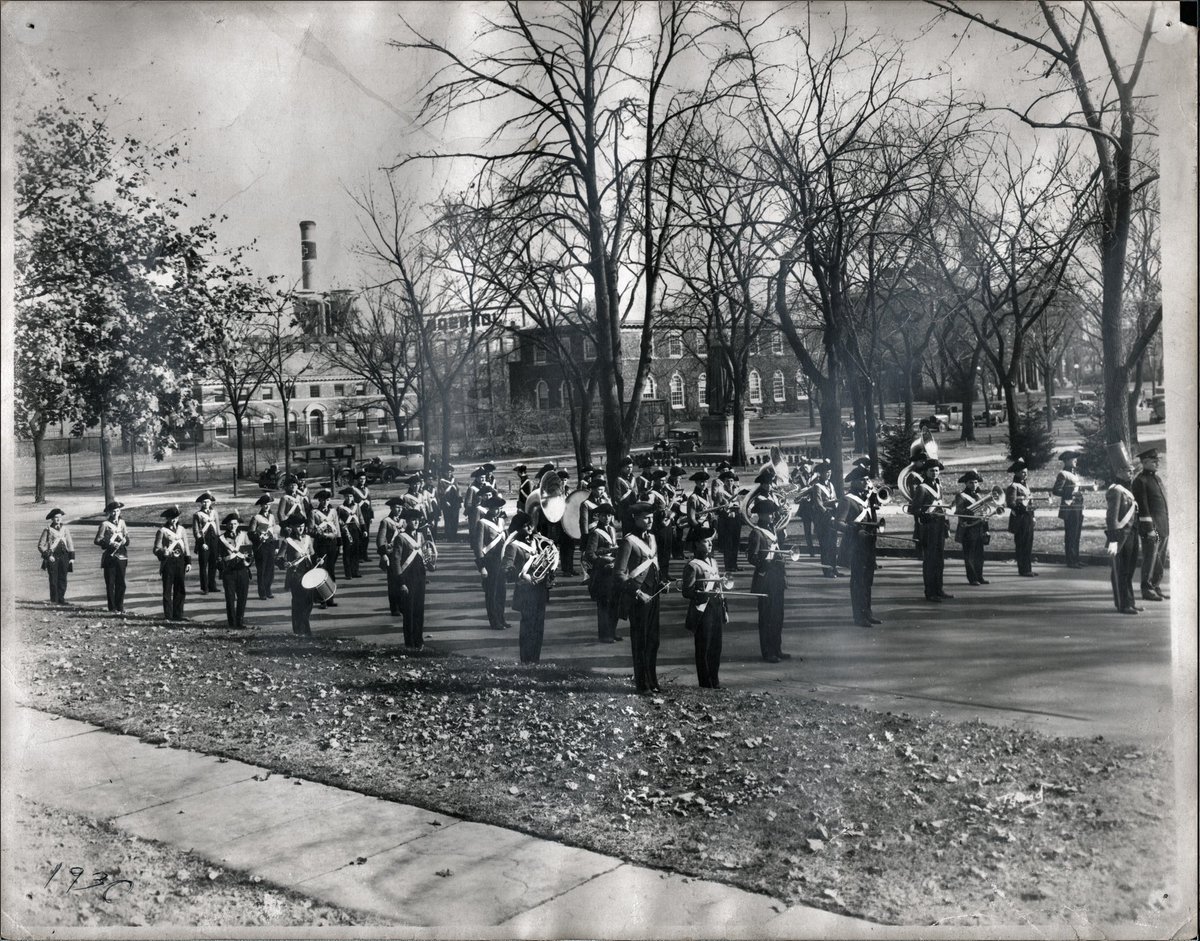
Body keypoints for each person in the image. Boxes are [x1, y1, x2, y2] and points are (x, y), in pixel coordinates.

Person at [614, 502, 663, 693]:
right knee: (640, 641)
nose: (650, 520)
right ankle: (642, 683)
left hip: (654, 594)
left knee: (653, 640)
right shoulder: (628, 541)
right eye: (645, 517)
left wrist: (661, 582)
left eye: (651, 516)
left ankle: (653, 680)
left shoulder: (652, 537)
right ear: (635, 518)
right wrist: (637, 592)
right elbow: (619, 574)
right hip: (638, 597)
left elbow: (654, 565)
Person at [503, 511, 555, 663]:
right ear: (518, 528)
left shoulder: (537, 543)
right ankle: (526, 660)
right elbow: (506, 569)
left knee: (539, 626)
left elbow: (544, 561)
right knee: (528, 626)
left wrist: (549, 569)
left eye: (531, 525)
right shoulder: (513, 546)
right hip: (526, 591)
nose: (530, 528)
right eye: (526, 526)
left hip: (540, 590)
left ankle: (535, 660)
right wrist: (521, 575)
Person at [681, 525, 727, 688]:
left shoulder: (713, 562)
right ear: (696, 545)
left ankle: (715, 679)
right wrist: (700, 593)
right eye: (706, 542)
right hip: (702, 609)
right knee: (704, 647)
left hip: (716, 606)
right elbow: (687, 591)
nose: (710, 545)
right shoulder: (692, 566)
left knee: (716, 646)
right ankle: (705, 683)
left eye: (711, 542)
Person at [746, 498, 791, 662]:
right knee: (767, 617)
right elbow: (752, 557)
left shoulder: (773, 528)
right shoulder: (756, 532)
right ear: (762, 515)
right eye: (770, 513)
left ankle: (777, 648)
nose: (773, 516)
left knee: (778, 615)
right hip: (765, 578)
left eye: (773, 513)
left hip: (777, 577)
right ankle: (768, 651)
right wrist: (765, 561)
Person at [841, 467, 882, 626]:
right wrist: (854, 531)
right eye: (863, 480)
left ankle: (868, 612)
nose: (867, 483)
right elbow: (837, 523)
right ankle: (859, 616)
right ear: (855, 482)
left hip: (869, 543)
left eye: (868, 480)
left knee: (868, 580)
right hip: (856, 545)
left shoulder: (868, 497)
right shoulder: (847, 500)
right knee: (858, 581)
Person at [1105, 443, 1141, 615]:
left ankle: (1130, 602)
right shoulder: (1116, 491)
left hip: (1132, 535)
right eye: (1128, 471)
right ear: (1119, 472)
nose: (1131, 474)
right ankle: (1122, 603)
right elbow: (1111, 518)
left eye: (1132, 471)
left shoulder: (1127, 490)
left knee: (1129, 570)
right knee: (1121, 570)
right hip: (1120, 536)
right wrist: (1112, 539)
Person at [1131, 447, 1169, 601]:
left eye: (1157, 460)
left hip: (1162, 525)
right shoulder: (1140, 481)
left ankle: (1155, 585)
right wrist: (1149, 529)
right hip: (1151, 528)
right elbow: (1144, 508)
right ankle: (1147, 588)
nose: (1157, 463)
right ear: (1145, 462)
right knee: (1150, 557)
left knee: (1160, 557)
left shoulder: (1156, 479)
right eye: (1154, 461)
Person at [913, 460, 953, 602]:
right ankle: (930, 592)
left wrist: (946, 524)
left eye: (936, 470)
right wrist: (925, 515)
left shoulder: (939, 486)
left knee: (939, 560)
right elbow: (915, 509)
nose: (934, 473)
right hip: (928, 528)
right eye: (931, 471)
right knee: (930, 561)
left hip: (939, 526)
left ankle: (939, 589)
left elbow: (941, 506)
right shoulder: (921, 488)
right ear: (925, 472)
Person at [473, 492, 512, 631]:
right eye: (495, 508)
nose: (498, 511)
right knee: (492, 593)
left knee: (502, 592)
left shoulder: (501, 521)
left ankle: (501, 618)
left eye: (499, 508)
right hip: (490, 562)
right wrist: (482, 567)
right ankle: (494, 622)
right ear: (489, 508)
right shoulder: (482, 523)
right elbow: (478, 547)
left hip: (501, 560)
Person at [583, 502, 621, 643]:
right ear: (599, 516)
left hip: (613, 570)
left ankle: (612, 632)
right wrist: (604, 561)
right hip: (602, 573)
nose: (607, 518)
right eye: (604, 515)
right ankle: (604, 635)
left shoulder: (612, 529)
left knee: (614, 603)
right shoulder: (595, 533)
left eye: (610, 515)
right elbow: (589, 555)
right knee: (604, 605)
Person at [392, 508, 429, 648]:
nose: (416, 522)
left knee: (419, 610)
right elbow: (396, 561)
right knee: (409, 611)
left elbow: (424, 555)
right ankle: (410, 642)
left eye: (418, 520)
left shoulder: (420, 536)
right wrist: (401, 582)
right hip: (408, 579)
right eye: (413, 520)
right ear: (407, 521)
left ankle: (419, 639)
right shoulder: (401, 538)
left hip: (420, 577)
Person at [1052, 451, 1094, 569]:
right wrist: (1069, 493)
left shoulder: (1074, 474)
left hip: (1077, 507)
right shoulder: (1063, 474)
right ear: (1066, 461)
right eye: (1073, 458)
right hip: (1069, 507)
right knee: (1071, 534)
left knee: (1077, 534)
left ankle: (1076, 559)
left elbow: (1075, 489)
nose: (1076, 460)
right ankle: (1071, 560)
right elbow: (1056, 490)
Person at [953, 470, 994, 586]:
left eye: (976, 482)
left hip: (979, 527)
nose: (974, 485)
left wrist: (986, 529)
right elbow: (960, 512)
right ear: (966, 483)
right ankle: (972, 578)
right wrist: (974, 513)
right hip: (968, 528)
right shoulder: (961, 496)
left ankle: (980, 576)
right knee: (969, 554)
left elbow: (984, 513)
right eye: (971, 482)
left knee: (979, 554)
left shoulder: (978, 496)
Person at [277, 513, 316, 635]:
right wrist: (284, 563)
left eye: (302, 526)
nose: (301, 528)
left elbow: (312, 555)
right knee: (299, 602)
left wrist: (319, 561)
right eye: (298, 526)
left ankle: (303, 627)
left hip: (308, 572)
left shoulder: (308, 539)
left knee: (309, 602)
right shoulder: (287, 542)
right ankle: (301, 630)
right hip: (295, 575)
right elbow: (278, 558)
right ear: (292, 527)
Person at [153, 506, 192, 621]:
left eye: (175, 517)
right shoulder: (162, 531)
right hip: (168, 563)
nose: (173, 520)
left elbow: (186, 546)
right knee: (167, 590)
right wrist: (162, 552)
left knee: (180, 589)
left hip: (180, 561)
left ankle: (178, 615)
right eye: (171, 518)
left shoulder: (182, 529)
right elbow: (156, 549)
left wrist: (188, 561)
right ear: (167, 518)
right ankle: (168, 616)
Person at [216, 512, 253, 629]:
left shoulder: (243, 535)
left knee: (242, 597)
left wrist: (248, 560)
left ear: (238, 524)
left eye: (235, 523)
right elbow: (217, 557)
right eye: (230, 524)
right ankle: (232, 623)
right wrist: (222, 567)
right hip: (229, 572)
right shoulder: (221, 539)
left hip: (242, 570)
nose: (233, 526)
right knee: (230, 598)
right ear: (227, 525)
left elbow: (250, 552)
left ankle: (240, 621)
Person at [94, 500, 129, 613]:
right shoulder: (105, 524)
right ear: (110, 512)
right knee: (110, 583)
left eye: (118, 511)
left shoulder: (122, 523)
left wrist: (125, 540)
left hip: (122, 555)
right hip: (110, 556)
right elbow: (97, 540)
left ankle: (120, 606)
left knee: (121, 583)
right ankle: (112, 607)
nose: (116, 513)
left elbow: (127, 538)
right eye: (113, 511)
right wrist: (109, 543)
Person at [1005, 458, 1038, 577]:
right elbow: (1010, 503)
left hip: (1028, 518)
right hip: (1020, 519)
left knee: (1028, 544)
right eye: (1023, 472)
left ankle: (1028, 568)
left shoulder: (1025, 485)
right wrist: (1021, 508)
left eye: (1026, 472)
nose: (1025, 474)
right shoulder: (1013, 486)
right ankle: (1023, 569)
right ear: (1017, 472)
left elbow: (1030, 503)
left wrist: (1033, 516)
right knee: (1021, 544)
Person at [309, 489, 341, 607]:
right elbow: (310, 530)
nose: (325, 502)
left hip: (332, 544)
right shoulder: (314, 513)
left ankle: (330, 598)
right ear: (319, 500)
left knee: (331, 571)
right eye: (323, 500)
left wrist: (339, 544)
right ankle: (322, 599)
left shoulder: (333, 512)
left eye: (327, 500)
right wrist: (320, 533)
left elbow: (337, 527)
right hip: (320, 545)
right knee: (321, 571)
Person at [38, 507, 75, 604]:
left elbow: (69, 543)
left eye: (60, 517)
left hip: (64, 556)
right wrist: (48, 556)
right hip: (53, 557)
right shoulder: (48, 530)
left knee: (63, 579)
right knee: (53, 580)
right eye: (56, 517)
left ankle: (61, 599)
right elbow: (41, 545)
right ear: (52, 519)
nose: (58, 519)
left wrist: (71, 557)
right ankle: (54, 600)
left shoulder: (65, 529)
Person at [811, 462, 841, 578]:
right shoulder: (817, 487)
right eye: (826, 472)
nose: (828, 474)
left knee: (833, 544)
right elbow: (819, 505)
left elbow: (834, 498)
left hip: (832, 518)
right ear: (821, 474)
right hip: (823, 519)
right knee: (825, 546)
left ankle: (834, 568)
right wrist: (829, 514)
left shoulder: (831, 485)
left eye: (829, 472)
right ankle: (827, 570)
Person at [377, 499, 406, 616]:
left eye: (401, 507)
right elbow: (380, 539)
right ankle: (394, 608)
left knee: (403, 580)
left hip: (403, 555)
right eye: (397, 507)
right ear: (392, 508)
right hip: (392, 554)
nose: (399, 510)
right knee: (393, 583)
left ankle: (403, 605)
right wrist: (383, 554)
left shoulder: (403, 521)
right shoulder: (386, 522)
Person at [248, 493, 277, 600]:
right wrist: (259, 536)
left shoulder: (272, 516)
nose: (267, 506)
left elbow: (274, 531)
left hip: (270, 544)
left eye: (269, 504)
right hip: (260, 546)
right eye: (265, 504)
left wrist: (276, 546)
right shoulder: (256, 518)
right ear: (261, 505)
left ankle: (268, 589)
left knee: (270, 570)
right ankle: (262, 592)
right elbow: (250, 533)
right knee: (262, 570)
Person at [713, 469, 743, 573]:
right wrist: (726, 513)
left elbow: (740, 504)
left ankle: (734, 564)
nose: (730, 483)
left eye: (731, 480)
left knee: (736, 542)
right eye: (727, 481)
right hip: (726, 521)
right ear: (724, 482)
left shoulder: (736, 491)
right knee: (728, 544)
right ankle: (728, 565)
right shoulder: (720, 493)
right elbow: (717, 508)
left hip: (736, 519)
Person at [192, 491, 220, 594]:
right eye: (203, 502)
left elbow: (217, 528)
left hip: (214, 540)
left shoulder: (214, 513)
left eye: (207, 501)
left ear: (211, 502)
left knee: (213, 564)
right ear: (201, 503)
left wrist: (219, 540)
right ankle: (205, 588)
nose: (206, 504)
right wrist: (201, 543)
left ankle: (212, 585)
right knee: (203, 565)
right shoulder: (197, 515)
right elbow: (196, 531)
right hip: (203, 541)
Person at [337, 488, 362, 579]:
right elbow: (338, 520)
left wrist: (364, 530)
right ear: (344, 497)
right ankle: (348, 573)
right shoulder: (340, 508)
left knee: (356, 551)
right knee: (347, 552)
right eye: (347, 496)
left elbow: (361, 518)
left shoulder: (357, 506)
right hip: (346, 530)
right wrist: (342, 528)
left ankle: (355, 571)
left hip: (355, 529)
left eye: (351, 496)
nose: (349, 498)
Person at [350, 470, 374, 561]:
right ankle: (358, 556)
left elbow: (370, 503)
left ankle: (364, 555)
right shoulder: (354, 490)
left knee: (366, 535)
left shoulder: (367, 489)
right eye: (361, 479)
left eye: (364, 478)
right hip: (358, 515)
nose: (362, 480)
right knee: (359, 536)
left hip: (367, 515)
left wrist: (371, 516)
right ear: (357, 480)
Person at [438, 465, 463, 542]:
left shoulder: (454, 480)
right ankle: (448, 536)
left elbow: (458, 490)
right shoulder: (441, 481)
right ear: (444, 473)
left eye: (450, 472)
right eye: (447, 472)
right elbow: (441, 493)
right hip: (447, 502)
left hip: (455, 502)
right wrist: (445, 501)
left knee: (455, 519)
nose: (449, 474)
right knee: (448, 519)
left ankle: (454, 535)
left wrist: (460, 501)